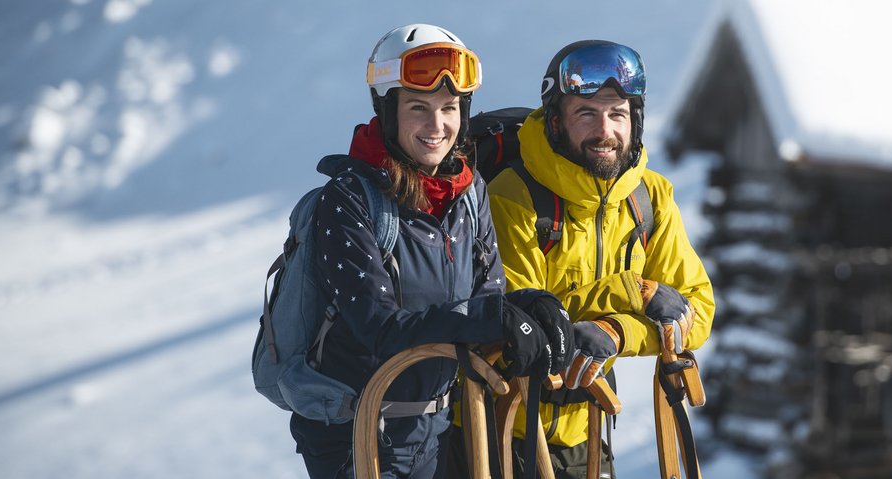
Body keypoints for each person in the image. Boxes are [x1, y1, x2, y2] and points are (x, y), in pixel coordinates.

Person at [290, 24, 572, 479]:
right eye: (418, 107)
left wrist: (526, 305)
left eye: (449, 108)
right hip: (357, 437)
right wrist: (490, 317)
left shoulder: (468, 191)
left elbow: (485, 298)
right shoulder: (349, 200)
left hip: (437, 430)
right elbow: (379, 328)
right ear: (387, 112)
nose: (436, 125)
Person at [483, 40, 716, 477]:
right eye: (586, 113)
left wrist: (616, 330)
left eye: (618, 113)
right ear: (555, 122)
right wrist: (635, 292)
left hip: (587, 432)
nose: (605, 130)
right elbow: (528, 324)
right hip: (501, 429)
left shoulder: (651, 199)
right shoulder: (514, 197)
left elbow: (696, 310)